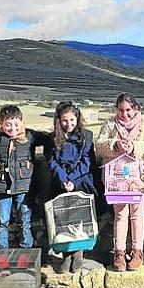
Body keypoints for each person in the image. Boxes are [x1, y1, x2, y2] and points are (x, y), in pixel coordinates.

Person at [96, 93, 144, 272]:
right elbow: (99, 147)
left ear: (135, 108)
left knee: (137, 214)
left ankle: (137, 252)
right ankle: (120, 253)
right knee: (121, 214)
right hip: (117, 179)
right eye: (121, 110)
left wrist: (135, 147)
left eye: (128, 110)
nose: (125, 114)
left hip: (139, 176)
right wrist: (115, 145)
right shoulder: (109, 124)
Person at [0, 105, 48, 249]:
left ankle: (26, 249)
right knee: (2, 220)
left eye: (16, 124)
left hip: (24, 186)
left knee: (25, 220)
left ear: (22, 122)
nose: (13, 128)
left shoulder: (30, 136)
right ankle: (2, 250)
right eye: (8, 124)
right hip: (2, 185)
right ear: (1, 123)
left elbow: (49, 139)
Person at [47, 101, 98, 273]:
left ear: (78, 119)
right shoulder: (52, 138)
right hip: (60, 183)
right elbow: (52, 162)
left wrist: (72, 181)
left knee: (79, 219)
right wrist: (63, 180)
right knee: (63, 220)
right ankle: (66, 254)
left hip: (81, 181)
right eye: (64, 121)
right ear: (58, 121)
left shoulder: (87, 136)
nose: (68, 124)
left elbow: (87, 161)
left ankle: (78, 253)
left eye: (72, 120)